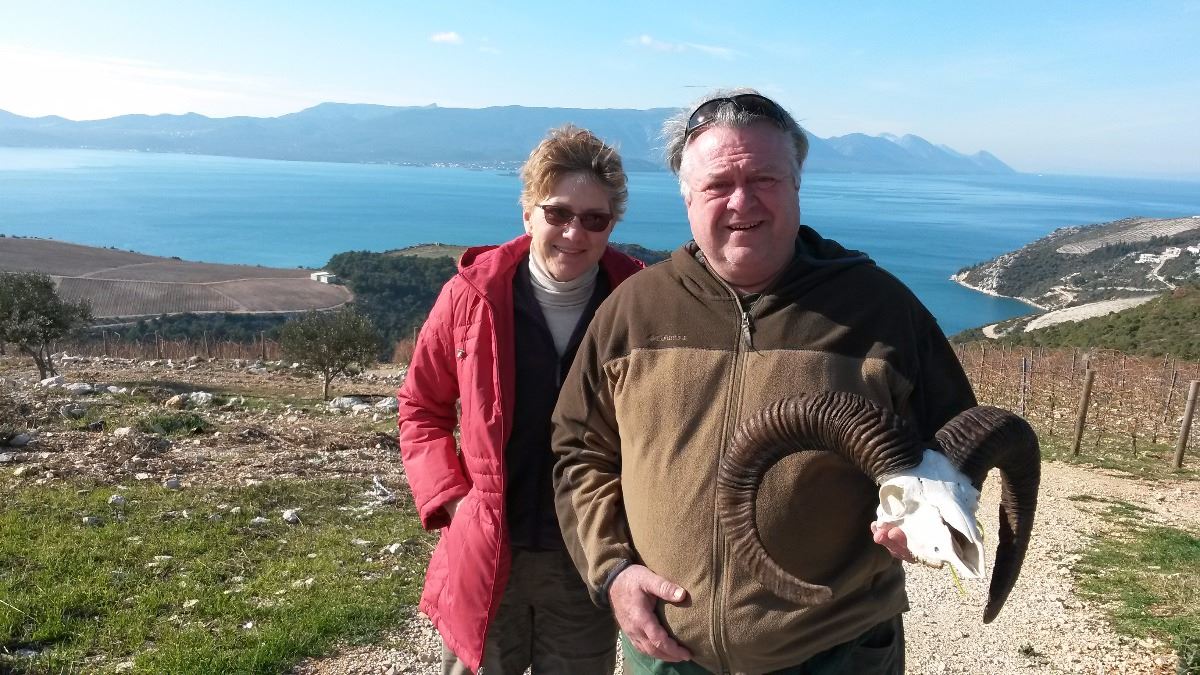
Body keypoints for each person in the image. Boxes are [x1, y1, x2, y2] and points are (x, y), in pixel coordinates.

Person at [551, 90, 978, 674]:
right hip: (668, 656)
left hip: (836, 654)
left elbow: (954, 447)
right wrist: (614, 572)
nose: (742, 201)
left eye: (765, 179)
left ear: (797, 184)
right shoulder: (634, 311)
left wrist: (928, 514)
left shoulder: (880, 310)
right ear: (687, 196)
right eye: (718, 184)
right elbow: (579, 451)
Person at [397, 125, 644, 674]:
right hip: (487, 548)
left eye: (594, 219)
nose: (574, 233)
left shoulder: (638, 304)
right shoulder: (470, 297)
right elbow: (420, 407)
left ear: (612, 225)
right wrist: (454, 501)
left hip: (588, 554)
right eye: (558, 213)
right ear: (528, 213)